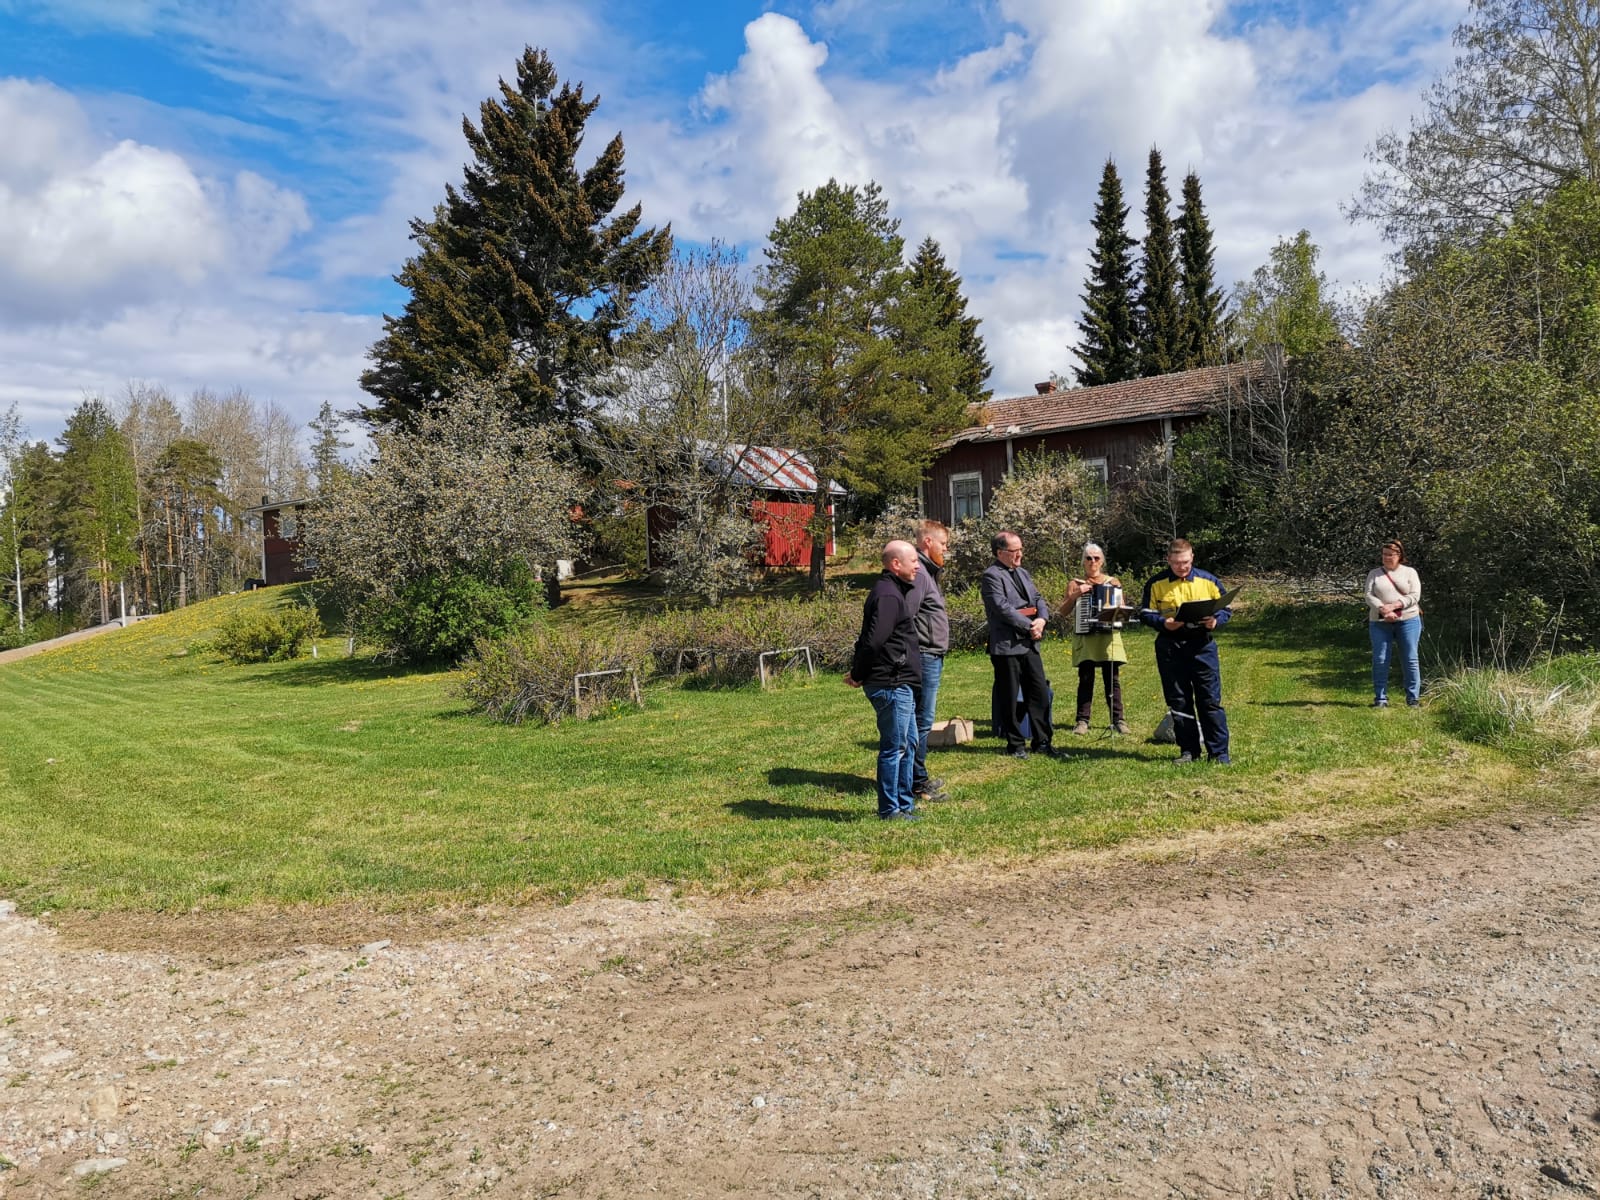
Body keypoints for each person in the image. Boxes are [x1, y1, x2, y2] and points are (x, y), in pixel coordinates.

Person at [845, 540, 924, 820]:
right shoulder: (888, 595)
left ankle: (904, 804)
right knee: (896, 747)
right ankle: (890, 809)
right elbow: (873, 642)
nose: (918, 566)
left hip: (900, 682)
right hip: (891, 682)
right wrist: (859, 674)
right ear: (895, 564)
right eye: (914, 561)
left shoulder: (892, 591)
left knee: (909, 743)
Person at [1139, 538, 1232, 764]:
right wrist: (1163, 623)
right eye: (1177, 563)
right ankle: (1188, 751)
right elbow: (1145, 613)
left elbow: (1226, 608)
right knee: (1178, 700)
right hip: (1170, 646)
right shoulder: (1156, 583)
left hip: (1202, 646)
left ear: (1192, 558)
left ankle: (1218, 753)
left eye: (1186, 563)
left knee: (1209, 699)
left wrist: (1215, 621)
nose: (1182, 567)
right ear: (1168, 560)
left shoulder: (1208, 580)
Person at [981, 530, 1069, 761]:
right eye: (1014, 550)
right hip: (1007, 646)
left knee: (1039, 693)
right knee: (1010, 697)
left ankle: (1042, 742)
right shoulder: (991, 576)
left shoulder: (1023, 573)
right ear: (1000, 552)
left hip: (1030, 644)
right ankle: (1015, 744)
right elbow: (1002, 608)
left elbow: (1038, 599)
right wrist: (1029, 626)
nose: (1019, 554)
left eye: (1021, 549)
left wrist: (1042, 620)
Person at [1062, 541, 1131, 736]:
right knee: (1085, 678)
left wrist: (1118, 600)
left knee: (1112, 679)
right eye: (1088, 558)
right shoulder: (1075, 583)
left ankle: (1118, 720)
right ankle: (1082, 721)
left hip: (1109, 637)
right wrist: (1076, 594)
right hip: (1086, 637)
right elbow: (1063, 611)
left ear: (1102, 561)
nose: (1092, 561)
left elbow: (1122, 611)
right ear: (1083, 561)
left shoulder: (1113, 582)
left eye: (1096, 558)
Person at [905, 520, 951, 802]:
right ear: (927, 542)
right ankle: (917, 783)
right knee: (922, 721)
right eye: (943, 544)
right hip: (924, 655)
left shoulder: (927, 572)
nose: (945, 549)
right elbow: (907, 615)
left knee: (921, 720)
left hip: (931, 653)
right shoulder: (920, 574)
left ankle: (917, 777)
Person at [1365, 539, 1423, 707]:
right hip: (1380, 622)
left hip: (1408, 620)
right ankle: (1380, 698)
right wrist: (1383, 609)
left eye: (1390, 555)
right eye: (1384, 554)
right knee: (1380, 659)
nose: (1386, 557)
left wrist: (1396, 605)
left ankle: (1413, 698)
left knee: (1410, 658)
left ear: (1399, 555)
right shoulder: (1374, 574)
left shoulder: (1410, 572)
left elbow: (1415, 595)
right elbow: (1368, 595)